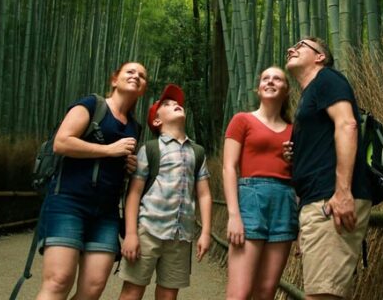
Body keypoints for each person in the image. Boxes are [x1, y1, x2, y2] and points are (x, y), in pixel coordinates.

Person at [36, 62, 147, 300]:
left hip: (106, 212)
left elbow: (115, 163)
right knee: (58, 281)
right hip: (68, 202)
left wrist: (128, 166)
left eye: (142, 76)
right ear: (114, 80)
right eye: (130, 72)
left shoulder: (135, 127)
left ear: (143, 89)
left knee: (93, 288)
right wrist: (109, 150)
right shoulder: (91, 105)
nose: (136, 76)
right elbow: (62, 142)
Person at [284, 37, 372, 300]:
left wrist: (343, 191)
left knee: (322, 295)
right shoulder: (309, 95)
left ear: (320, 57)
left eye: (301, 46)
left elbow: (347, 125)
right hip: (318, 201)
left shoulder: (327, 80)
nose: (292, 48)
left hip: (331, 198)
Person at [118, 84, 213, 300]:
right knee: (132, 291)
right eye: (167, 105)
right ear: (157, 121)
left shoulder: (197, 152)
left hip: (181, 235)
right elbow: (134, 193)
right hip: (148, 230)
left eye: (177, 103)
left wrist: (206, 232)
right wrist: (131, 233)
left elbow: (204, 194)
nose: (175, 105)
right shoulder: (150, 149)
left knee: (169, 294)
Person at [223, 67, 297, 300]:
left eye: (277, 78)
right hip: (251, 199)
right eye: (265, 78)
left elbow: (302, 177)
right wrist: (234, 215)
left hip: (285, 202)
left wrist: (294, 161)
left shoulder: (295, 130)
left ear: (287, 90)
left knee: (266, 292)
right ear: (258, 88)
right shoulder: (242, 120)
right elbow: (228, 167)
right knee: (240, 293)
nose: (271, 81)